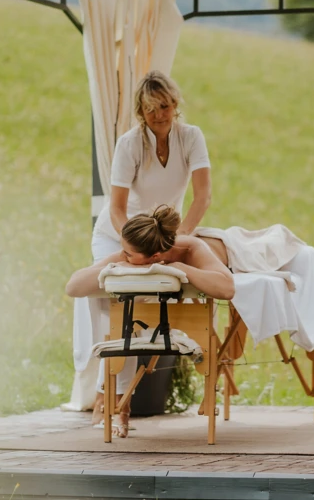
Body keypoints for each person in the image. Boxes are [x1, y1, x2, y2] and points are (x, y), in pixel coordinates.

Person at [69, 71, 212, 421]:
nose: (159, 115)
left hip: (163, 237)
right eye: (150, 110)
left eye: (164, 106)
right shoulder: (130, 144)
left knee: (142, 304)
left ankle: (120, 393)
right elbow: (117, 208)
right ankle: (109, 390)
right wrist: (133, 246)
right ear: (140, 112)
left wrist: (179, 240)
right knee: (115, 299)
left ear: (174, 104)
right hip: (118, 234)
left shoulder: (191, 137)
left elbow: (202, 196)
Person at [66, 205, 234, 437]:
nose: (123, 256)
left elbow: (226, 288)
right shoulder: (137, 250)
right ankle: (119, 408)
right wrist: (115, 265)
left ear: (154, 257)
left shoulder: (191, 248)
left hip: (237, 249)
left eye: (128, 255)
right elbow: (73, 286)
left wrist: (180, 268)